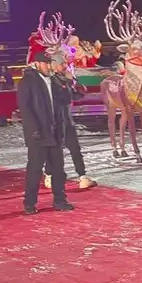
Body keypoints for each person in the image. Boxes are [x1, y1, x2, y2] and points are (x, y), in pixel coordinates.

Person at [16, 51, 75, 215]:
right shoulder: (28, 81)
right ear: (37, 64)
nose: (49, 67)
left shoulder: (55, 80)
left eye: (50, 63)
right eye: (46, 63)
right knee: (35, 170)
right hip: (39, 133)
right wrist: (34, 129)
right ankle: (29, 203)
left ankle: (60, 201)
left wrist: (66, 82)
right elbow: (25, 108)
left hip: (55, 132)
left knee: (58, 169)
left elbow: (66, 100)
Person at [44, 52, 97, 190]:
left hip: (67, 120)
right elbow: (63, 97)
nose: (65, 66)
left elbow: (74, 95)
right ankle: (49, 174)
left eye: (65, 63)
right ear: (54, 65)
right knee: (55, 149)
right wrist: (68, 82)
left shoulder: (63, 79)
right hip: (55, 121)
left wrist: (78, 87)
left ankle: (82, 176)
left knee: (75, 148)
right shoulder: (50, 80)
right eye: (62, 64)